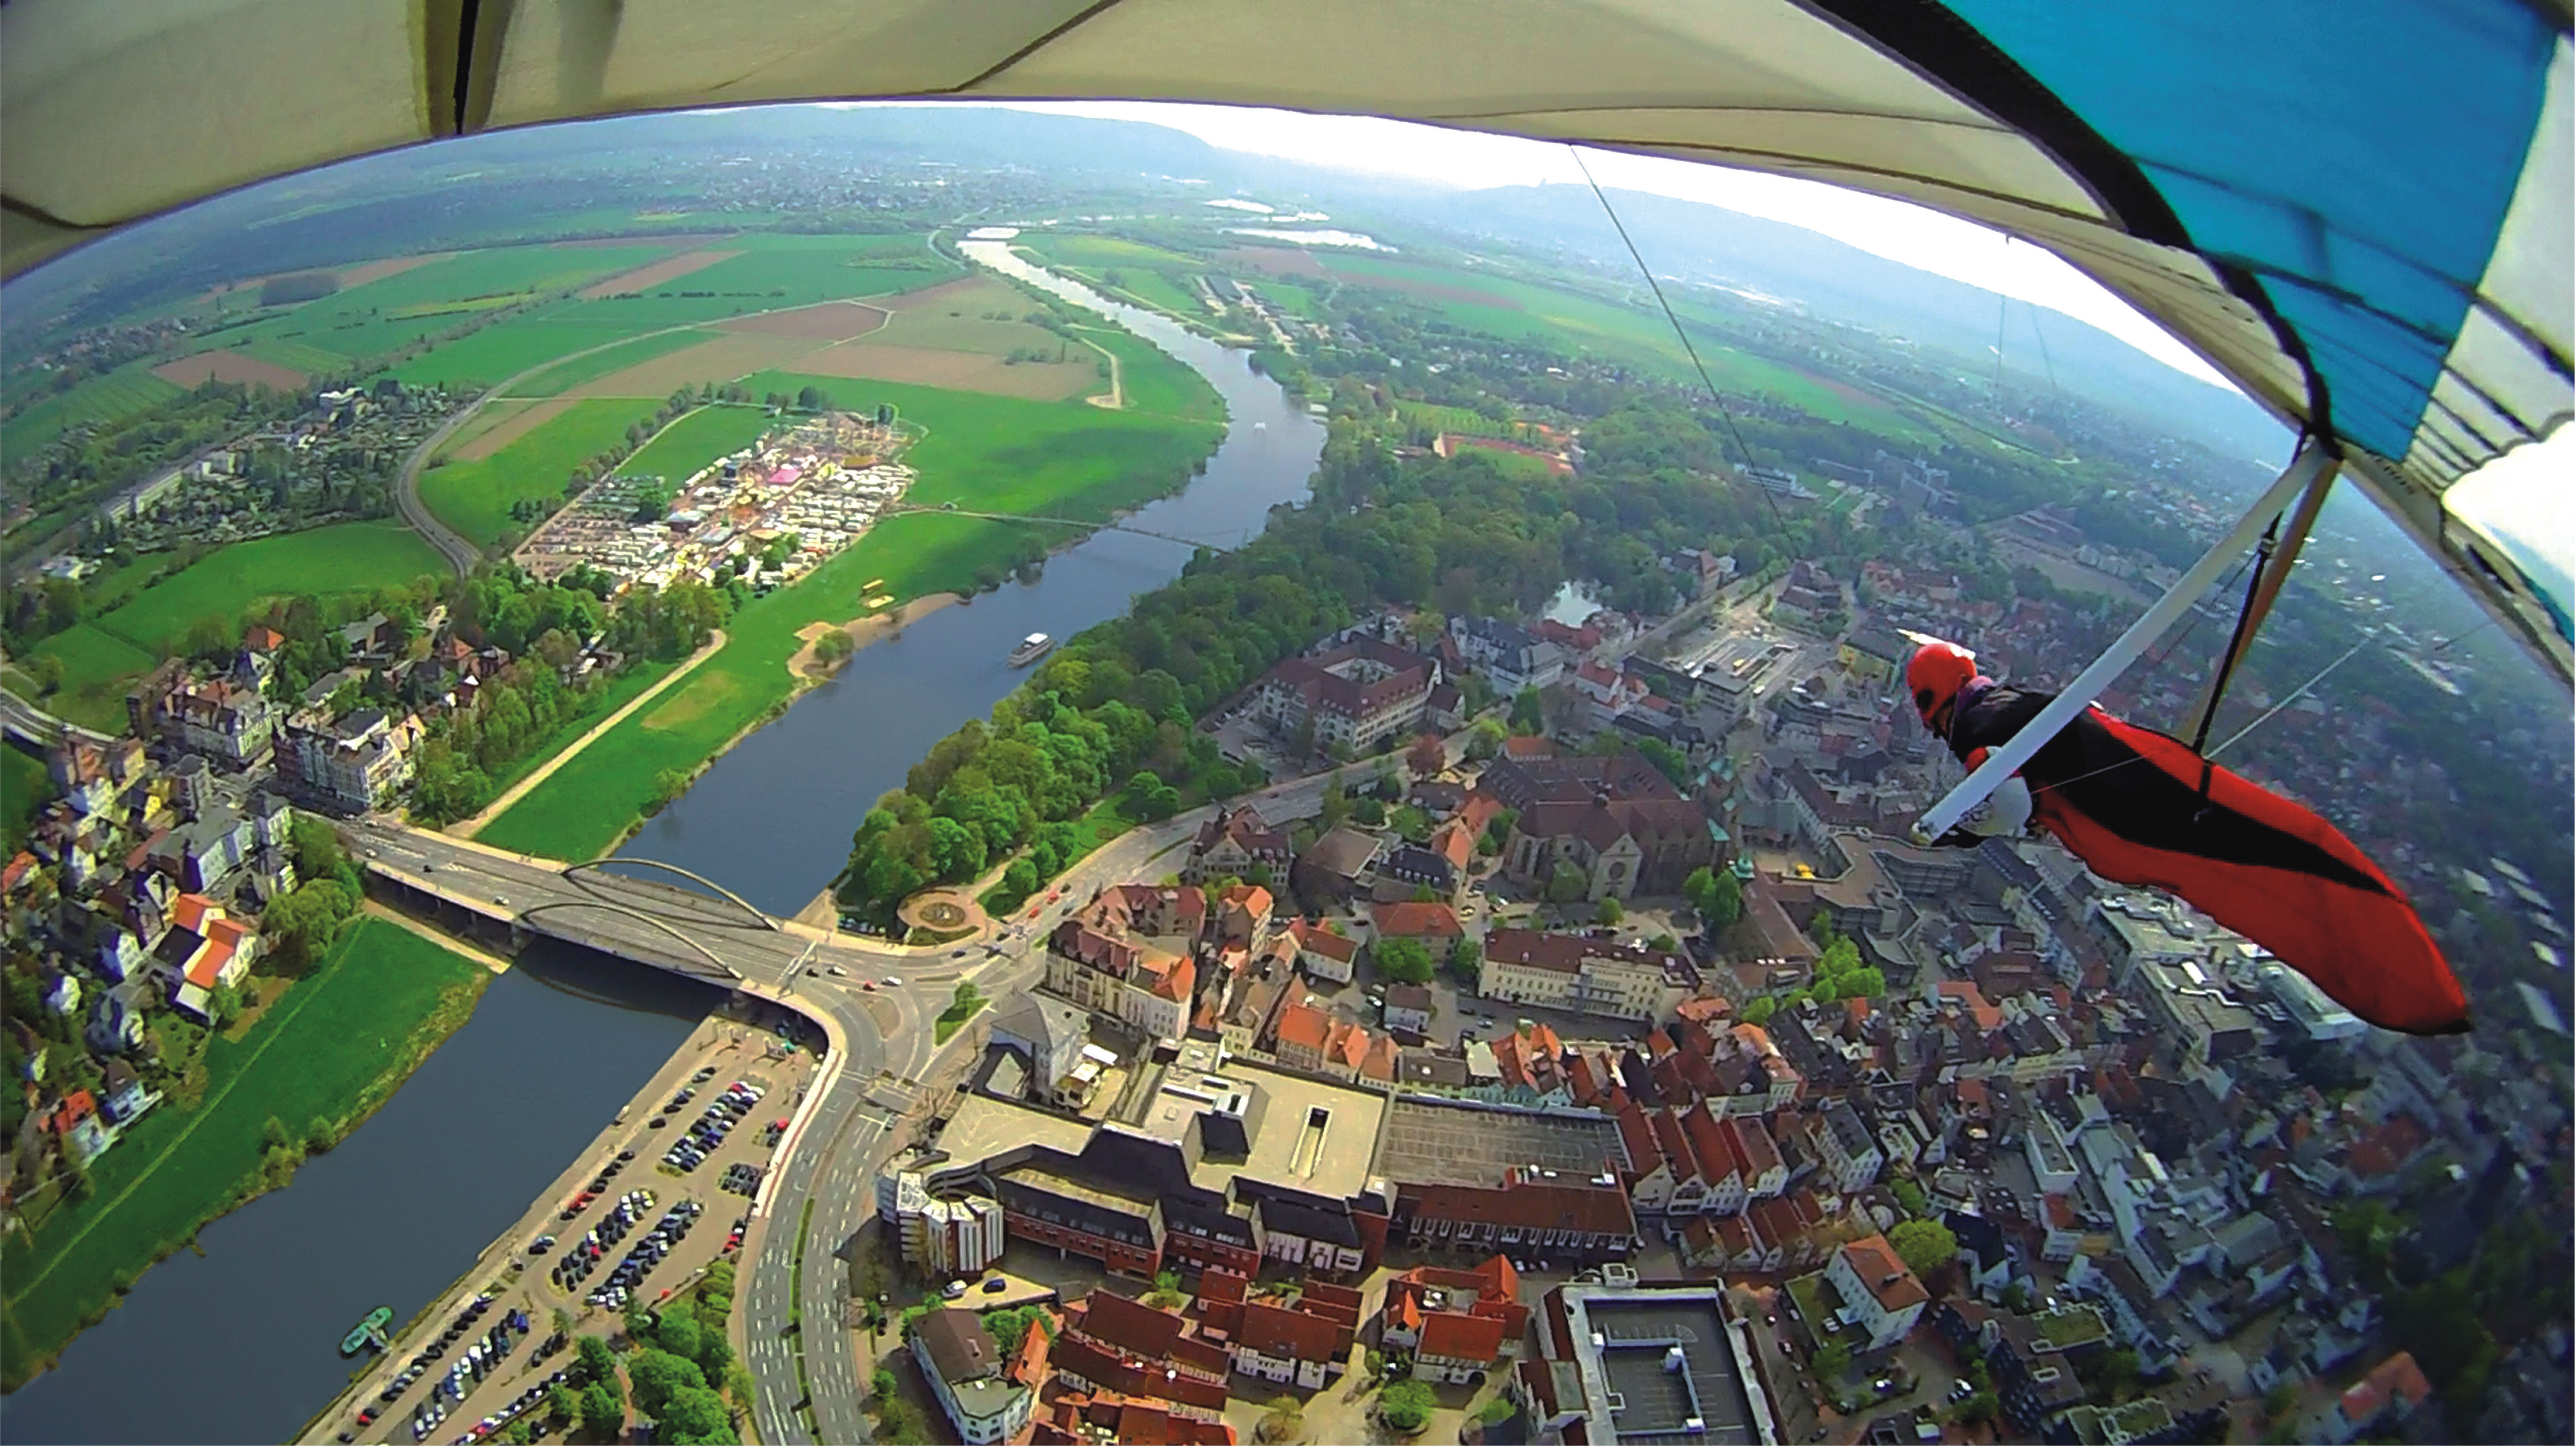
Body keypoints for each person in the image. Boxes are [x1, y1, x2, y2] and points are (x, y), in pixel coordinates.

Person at [1908, 637, 2468, 1035]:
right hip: (2158, 794)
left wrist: (1970, 829)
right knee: (2299, 848)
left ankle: (2405, 989)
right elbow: (2033, 766)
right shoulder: (2001, 709)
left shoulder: (1980, 723)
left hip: (2132, 824)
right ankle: (2409, 985)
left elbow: (2011, 792)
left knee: (2262, 882)